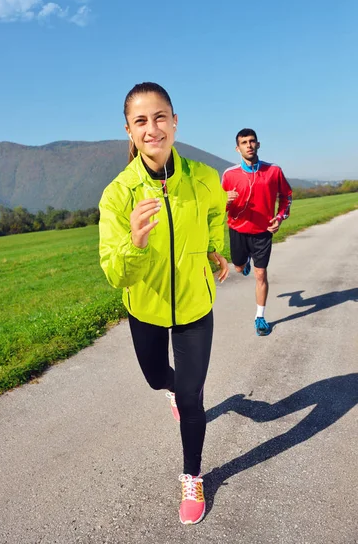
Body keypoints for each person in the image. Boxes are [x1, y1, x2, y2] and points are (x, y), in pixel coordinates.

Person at [99, 82, 229, 525]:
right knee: (158, 378)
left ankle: (193, 475)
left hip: (195, 306)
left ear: (175, 121)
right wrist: (134, 242)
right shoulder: (118, 194)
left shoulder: (205, 177)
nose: (152, 128)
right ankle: (170, 388)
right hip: (147, 309)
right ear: (129, 132)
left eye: (160, 117)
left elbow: (216, 214)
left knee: (192, 399)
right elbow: (116, 273)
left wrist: (215, 247)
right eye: (141, 121)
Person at [222, 128, 292, 336]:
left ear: (258, 144)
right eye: (244, 142)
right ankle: (244, 264)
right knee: (238, 267)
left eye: (252, 141)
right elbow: (218, 206)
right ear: (238, 148)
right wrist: (224, 200)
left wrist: (279, 218)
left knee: (261, 274)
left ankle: (260, 317)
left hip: (263, 232)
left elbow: (286, 197)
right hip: (238, 230)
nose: (249, 145)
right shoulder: (229, 174)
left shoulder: (274, 171)